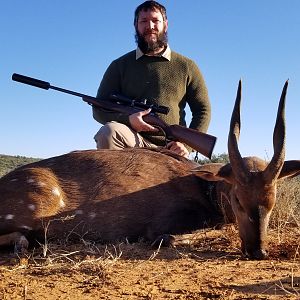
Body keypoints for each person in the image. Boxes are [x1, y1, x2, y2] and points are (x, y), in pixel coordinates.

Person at [93, 0, 211, 158]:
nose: (150, 26)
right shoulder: (119, 65)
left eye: (155, 20)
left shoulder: (187, 66)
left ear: (166, 24)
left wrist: (186, 146)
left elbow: (202, 110)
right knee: (108, 132)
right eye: (143, 21)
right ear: (136, 25)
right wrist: (128, 119)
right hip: (133, 141)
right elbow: (99, 109)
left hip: (171, 146)